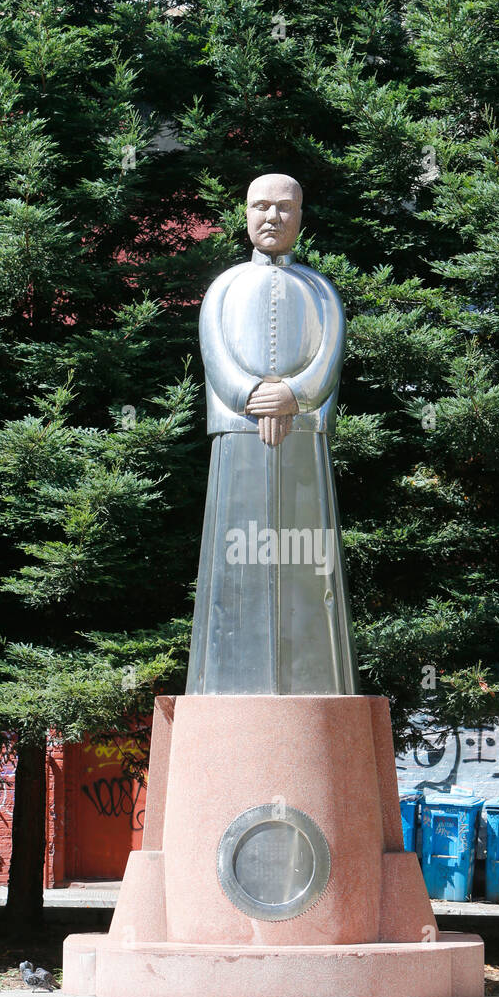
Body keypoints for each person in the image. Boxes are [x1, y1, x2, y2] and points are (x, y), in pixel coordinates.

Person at [186, 173, 360, 696]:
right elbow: (215, 358)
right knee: (232, 565)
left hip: (302, 440)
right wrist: (250, 396)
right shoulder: (224, 287)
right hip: (238, 439)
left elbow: (327, 360)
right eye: (261, 206)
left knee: (309, 569)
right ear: (244, 214)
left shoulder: (322, 291)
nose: (272, 217)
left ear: (300, 217)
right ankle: (224, 687)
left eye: (285, 208)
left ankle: (319, 683)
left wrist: (295, 396)